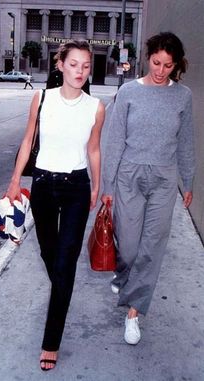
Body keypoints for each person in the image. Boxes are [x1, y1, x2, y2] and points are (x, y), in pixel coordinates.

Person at [6, 40, 105, 370]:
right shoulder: (42, 98)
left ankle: (51, 342)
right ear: (60, 64)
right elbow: (27, 140)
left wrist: (97, 184)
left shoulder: (96, 107)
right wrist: (14, 180)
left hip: (77, 187)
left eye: (86, 65)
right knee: (51, 256)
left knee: (65, 263)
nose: (80, 71)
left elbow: (93, 149)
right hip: (44, 186)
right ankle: (63, 290)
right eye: (74, 64)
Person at [101, 32, 195, 345]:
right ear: (148, 58)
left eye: (168, 65)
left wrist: (189, 180)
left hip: (165, 179)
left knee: (152, 247)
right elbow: (114, 140)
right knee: (128, 247)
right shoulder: (128, 92)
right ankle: (124, 273)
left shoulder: (183, 96)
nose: (160, 70)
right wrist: (107, 184)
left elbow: (185, 142)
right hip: (129, 174)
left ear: (175, 65)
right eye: (156, 62)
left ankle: (133, 314)